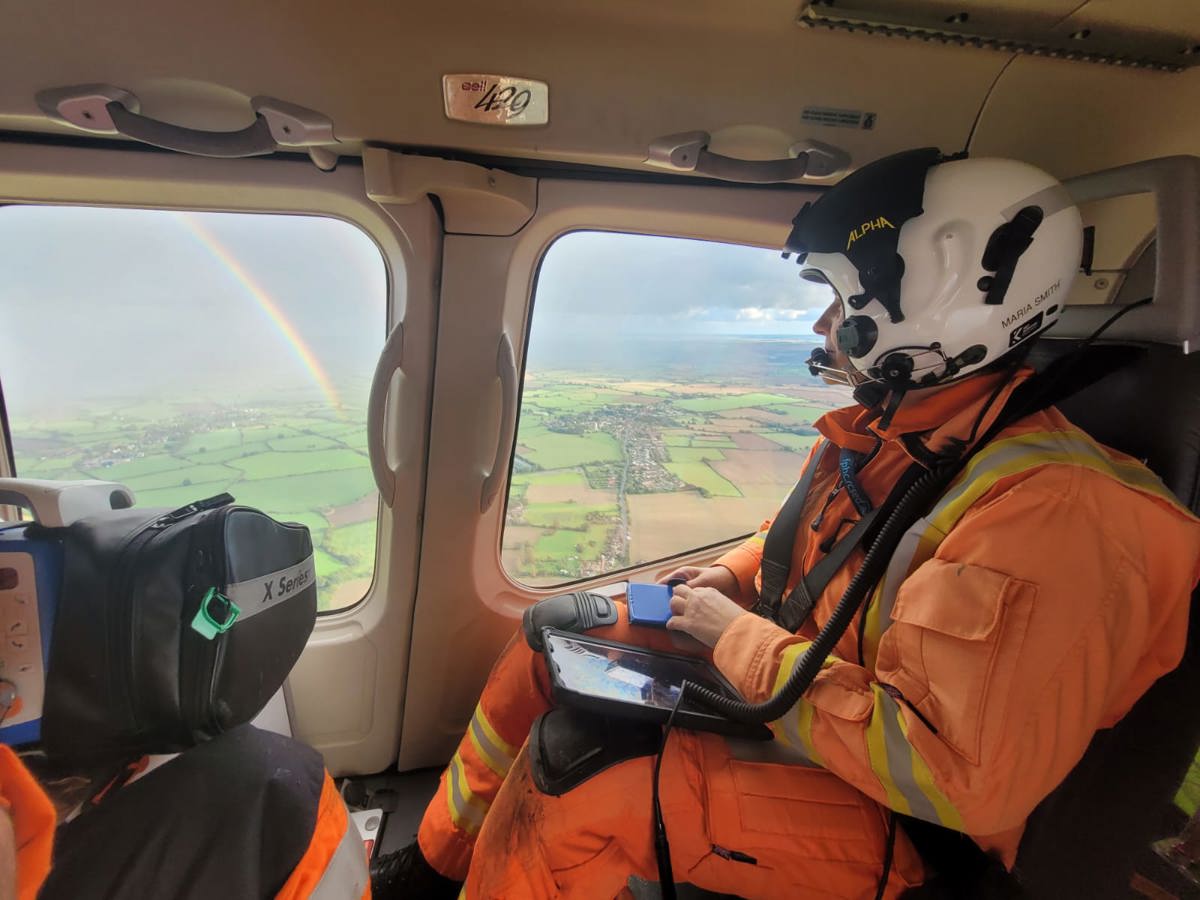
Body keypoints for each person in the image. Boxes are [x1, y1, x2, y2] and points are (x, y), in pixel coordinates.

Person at [370, 148, 1200, 898]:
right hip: (808, 695)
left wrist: (735, 638)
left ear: (939, 305)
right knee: (551, 636)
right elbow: (803, 536)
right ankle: (435, 868)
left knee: (582, 775)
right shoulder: (899, 433)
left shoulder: (1060, 519)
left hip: (920, 825)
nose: (820, 327)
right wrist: (730, 580)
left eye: (839, 303)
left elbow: (952, 776)